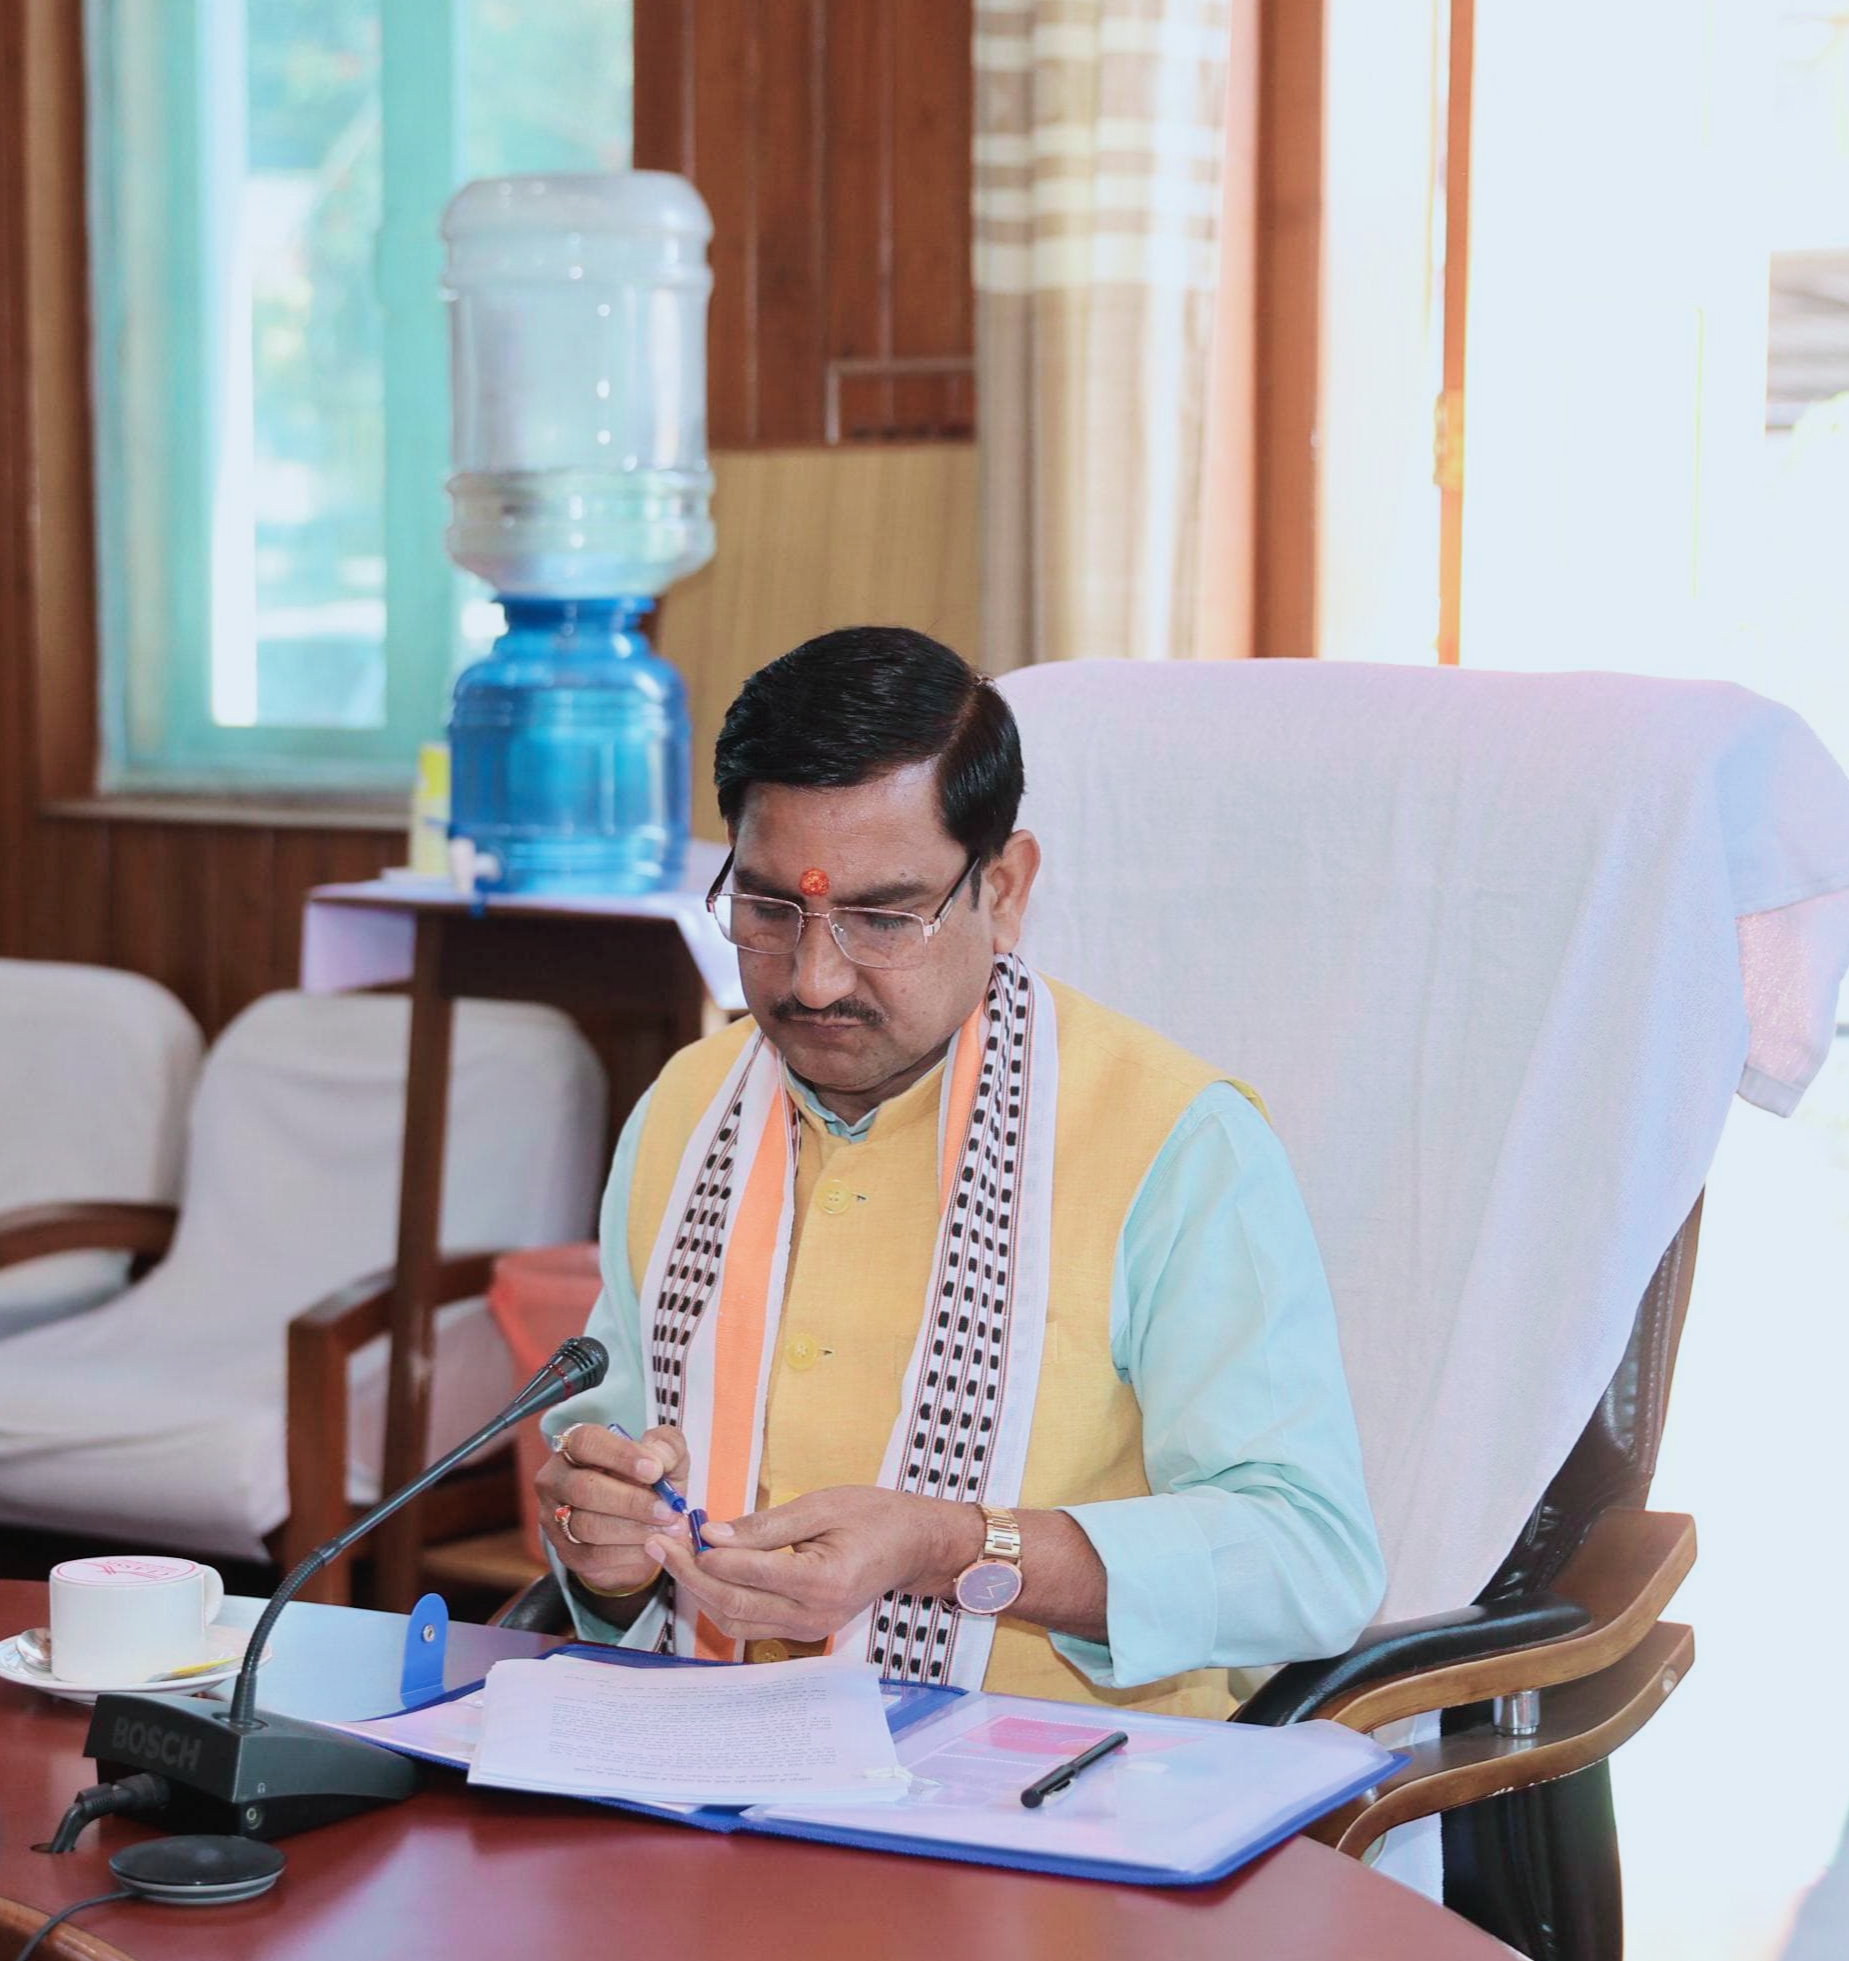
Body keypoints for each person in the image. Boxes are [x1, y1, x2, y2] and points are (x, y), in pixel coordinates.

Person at [536, 627, 1383, 1717]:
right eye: (770, 908)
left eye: (884, 917)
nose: (814, 978)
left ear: (1006, 887)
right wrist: (606, 1546)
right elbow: (609, 1477)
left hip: (1066, 1784)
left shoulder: (1175, 1141)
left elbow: (1307, 1556)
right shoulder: (685, 1109)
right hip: (700, 1756)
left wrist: (956, 1547)